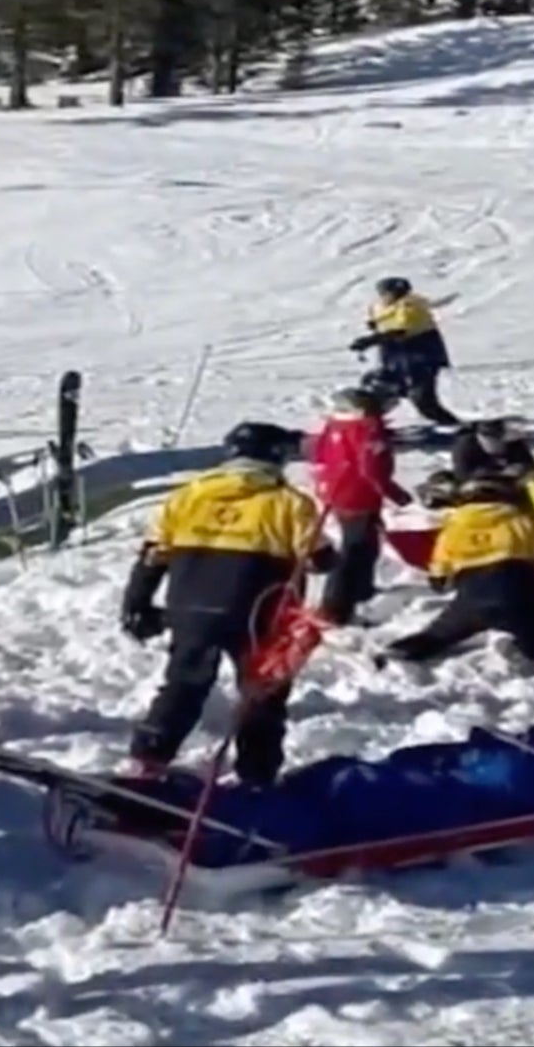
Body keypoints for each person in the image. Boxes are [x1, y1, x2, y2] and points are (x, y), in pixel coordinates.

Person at [120, 421, 329, 787]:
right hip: (258, 615)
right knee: (262, 693)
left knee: (182, 685)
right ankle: (256, 774)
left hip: (189, 609)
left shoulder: (187, 496)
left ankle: (147, 760)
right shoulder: (290, 503)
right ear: (276, 457)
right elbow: (321, 558)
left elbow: (154, 554)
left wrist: (137, 603)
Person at [383, 477, 534, 663]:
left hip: (472, 595)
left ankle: (403, 650)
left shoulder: (454, 527)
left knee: (440, 633)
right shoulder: (520, 520)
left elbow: (439, 573)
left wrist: (442, 578)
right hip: (516, 592)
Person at [307, 386, 412, 625]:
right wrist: (395, 494)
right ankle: (334, 606)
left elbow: (318, 451)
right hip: (358, 495)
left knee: (367, 543)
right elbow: (371, 468)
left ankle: (362, 587)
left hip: (336, 490)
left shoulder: (335, 424)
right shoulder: (369, 430)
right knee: (355, 548)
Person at [350, 277, 459, 427]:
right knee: (377, 387)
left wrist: (372, 340)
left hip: (420, 357)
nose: (384, 296)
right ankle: (371, 424)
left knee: (422, 399)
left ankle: (453, 425)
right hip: (394, 356)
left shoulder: (411, 304)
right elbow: (381, 320)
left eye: (387, 293)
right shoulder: (381, 305)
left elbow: (401, 330)